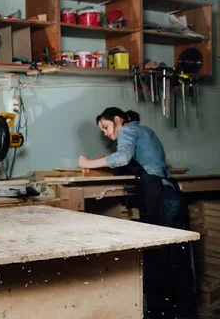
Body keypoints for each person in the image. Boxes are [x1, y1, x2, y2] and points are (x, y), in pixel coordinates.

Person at [78, 107, 196, 319]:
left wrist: (88, 163)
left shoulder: (127, 131)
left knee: (159, 257)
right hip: (170, 196)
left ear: (117, 119)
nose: (105, 133)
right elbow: (135, 163)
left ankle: (162, 313)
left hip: (162, 198)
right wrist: (105, 161)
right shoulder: (143, 131)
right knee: (176, 257)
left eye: (105, 127)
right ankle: (183, 312)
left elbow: (123, 157)